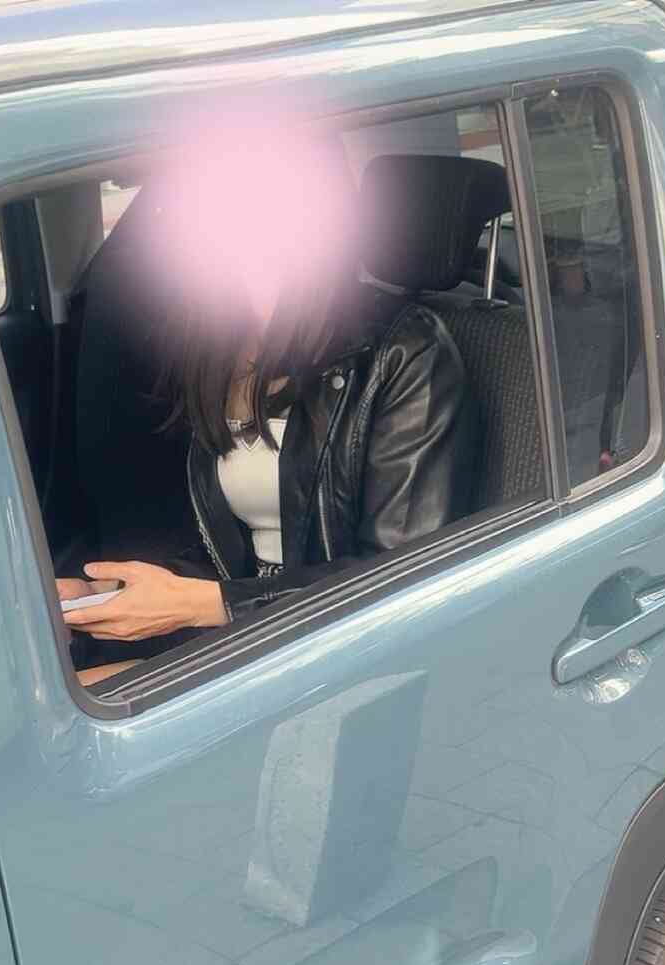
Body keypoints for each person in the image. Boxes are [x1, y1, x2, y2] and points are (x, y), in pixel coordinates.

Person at [55, 126, 478, 675]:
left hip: (350, 647)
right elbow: (235, 551)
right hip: (257, 633)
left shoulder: (406, 351)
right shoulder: (213, 344)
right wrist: (110, 594)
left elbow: (400, 579)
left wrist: (208, 605)